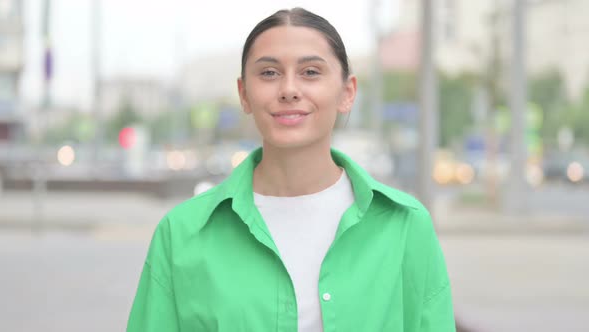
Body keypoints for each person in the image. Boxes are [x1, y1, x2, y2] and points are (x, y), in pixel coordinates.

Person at [127, 7, 455, 332]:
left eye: (311, 72)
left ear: (347, 92)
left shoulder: (405, 225)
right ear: (244, 94)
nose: (288, 89)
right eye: (269, 73)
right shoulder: (182, 233)